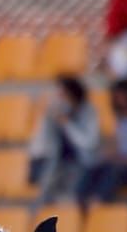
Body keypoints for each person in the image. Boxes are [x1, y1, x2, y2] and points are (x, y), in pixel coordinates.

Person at [27, 75, 101, 210]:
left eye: (62, 94)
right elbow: (40, 143)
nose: (59, 98)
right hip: (56, 162)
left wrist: (67, 123)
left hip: (81, 163)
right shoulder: (54, 112)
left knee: (71, 191)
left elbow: (88, 143)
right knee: (46, 186)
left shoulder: (88, 111)